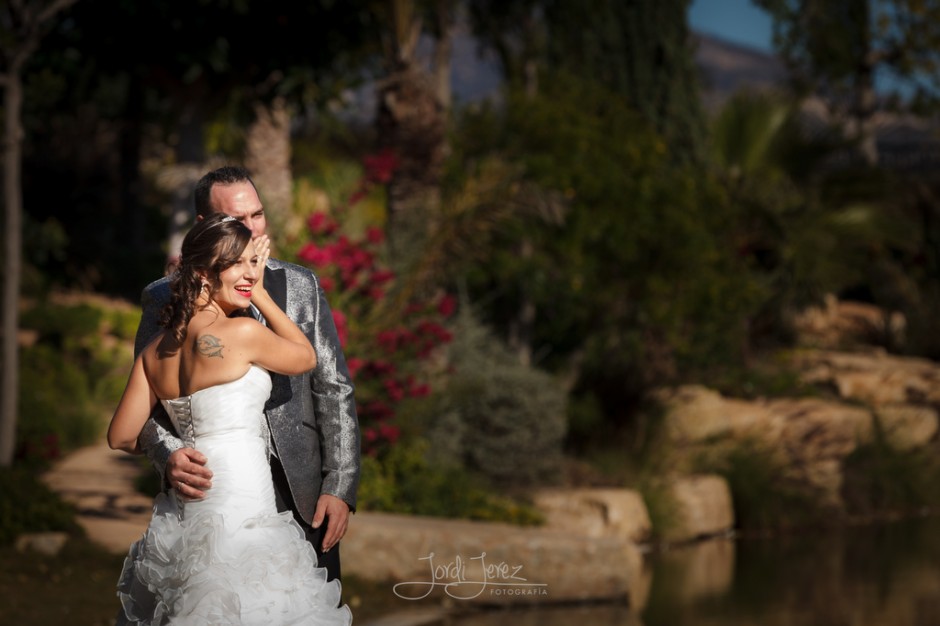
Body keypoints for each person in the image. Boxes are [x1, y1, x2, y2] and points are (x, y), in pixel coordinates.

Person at [109, 214, 352, 624]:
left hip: (188, 520)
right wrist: (261, 296)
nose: (248, 274)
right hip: (244, 515)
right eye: (236, 264)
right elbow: (306, 357)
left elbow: (121, 435)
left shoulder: (154, 352)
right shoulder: (242, 335)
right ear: (203, 274)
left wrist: (171, 456)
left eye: (252, 263)